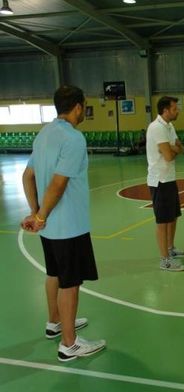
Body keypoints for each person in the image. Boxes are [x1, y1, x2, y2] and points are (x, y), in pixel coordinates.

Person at [20, 85, 106, 362]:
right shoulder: (74, 138)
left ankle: (55, 322)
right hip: (69, 226)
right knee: (70, 283)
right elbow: (58, 183)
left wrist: (36, 213)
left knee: (54, 273)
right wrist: (41, 215)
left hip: (51, 229)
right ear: (78, 107)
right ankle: (69, 344)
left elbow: (27, 175)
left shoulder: (44, 134)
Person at [146, 96, 184, 272]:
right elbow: (170, 156)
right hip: (159, 181)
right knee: (162, 221)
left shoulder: (169, 126)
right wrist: (172, 149)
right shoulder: (156, 128)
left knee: (173, 217)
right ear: (165, 110)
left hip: (169, 178)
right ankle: (165, 260)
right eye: (174, 108)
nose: (177, 110)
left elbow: (181, 148)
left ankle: (170, 249)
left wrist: (173, 148)